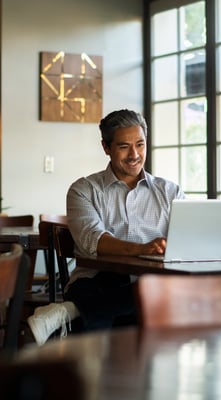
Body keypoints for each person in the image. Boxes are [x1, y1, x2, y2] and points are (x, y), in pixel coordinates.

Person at [27, 109, 184, 345]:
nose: (134, 154)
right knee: (125, 296)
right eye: (124, 146)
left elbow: (185, 241)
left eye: (140, 144)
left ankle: (68, 312)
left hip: (155, 282)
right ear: (106, 147)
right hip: (97, 279)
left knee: (156, 290)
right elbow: (94, 241)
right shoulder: (83, 190)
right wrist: (144, 248)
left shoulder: (171, 192)